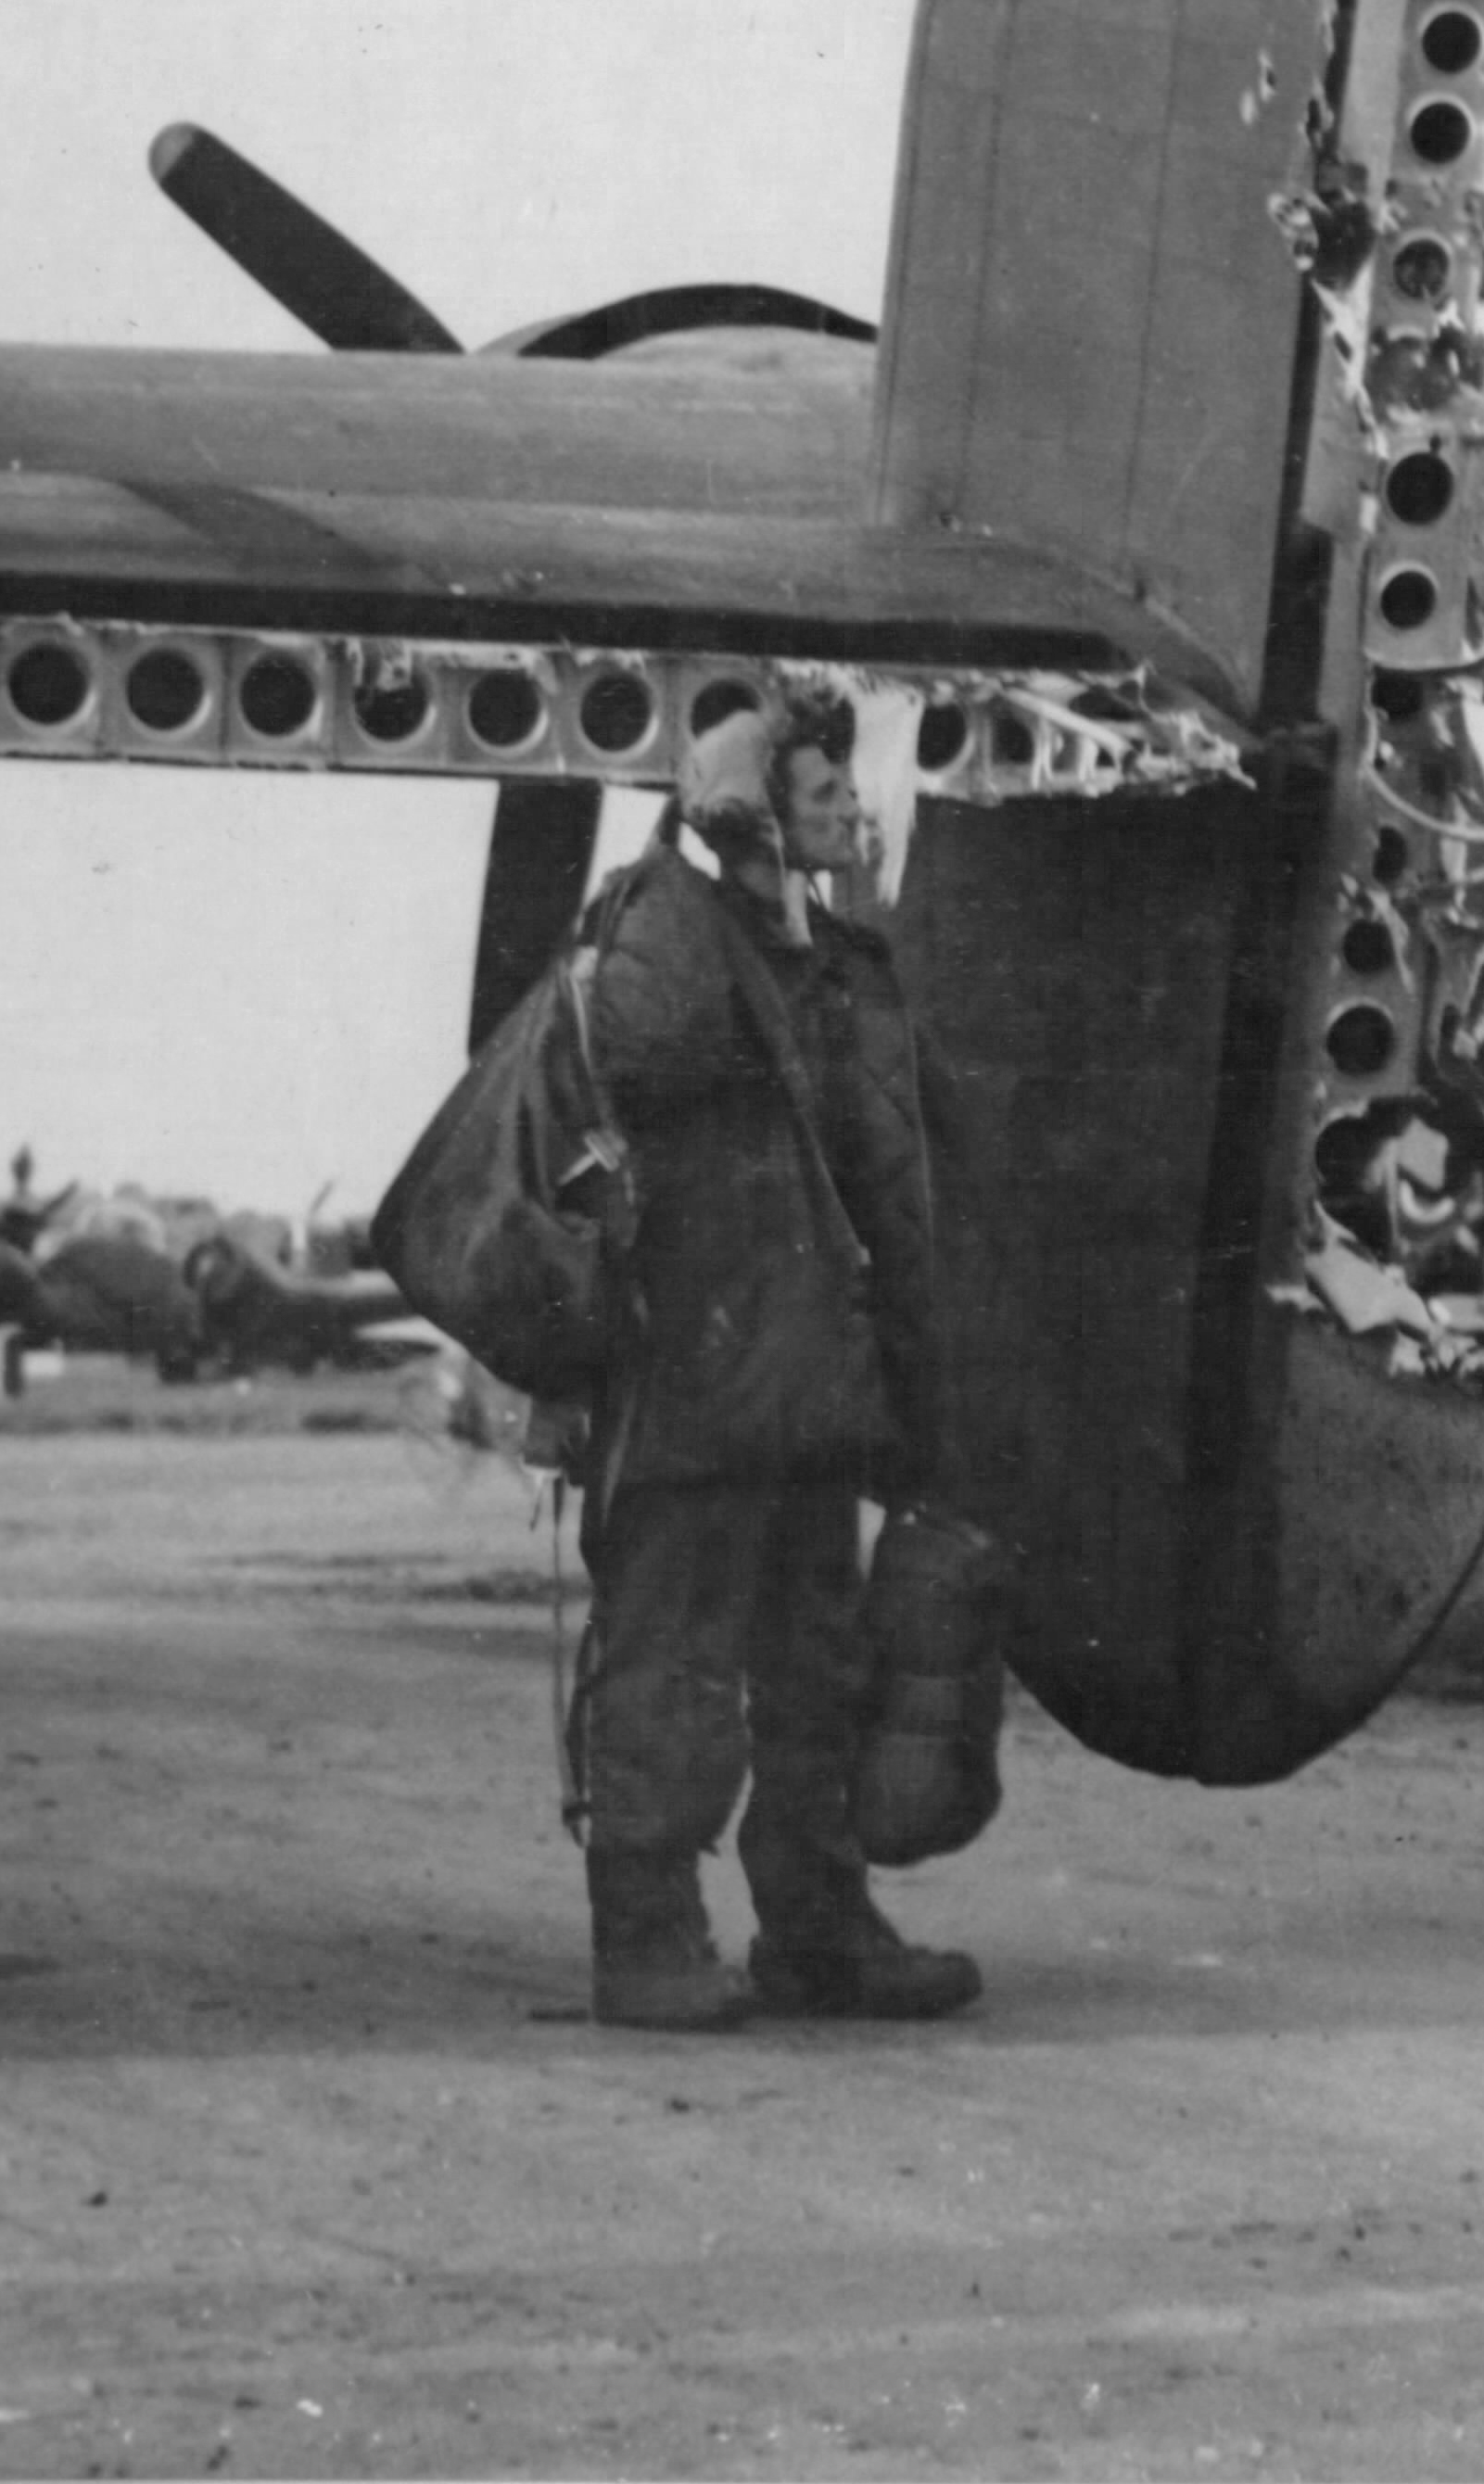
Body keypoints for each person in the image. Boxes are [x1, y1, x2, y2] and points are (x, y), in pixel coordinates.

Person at [569, 687, 984, 2032]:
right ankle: (645, 1934)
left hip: (809, 1373)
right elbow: (625, 1065)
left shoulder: (825, 951)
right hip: (698, 1375)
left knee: (819, 1659)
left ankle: (818, 1926)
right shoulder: (663, 933)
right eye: (821, 795)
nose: (850, 812)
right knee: (673, 1655)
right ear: (750, 812)